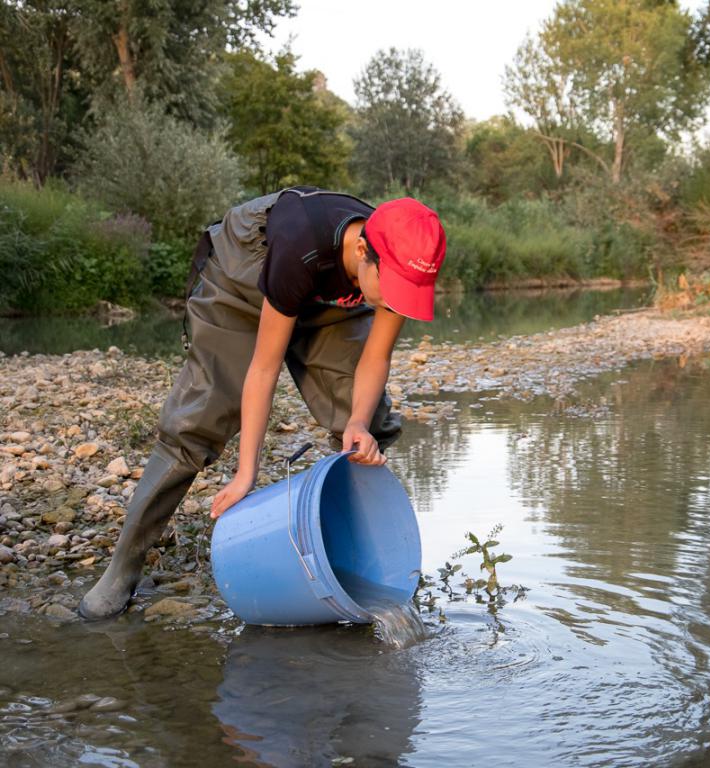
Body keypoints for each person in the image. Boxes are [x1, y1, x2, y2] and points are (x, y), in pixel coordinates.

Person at [78, 186, 446, 620]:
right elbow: (263, 369)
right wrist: (245, 473)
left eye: (407, 293)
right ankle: (123, 568)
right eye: (393, 289)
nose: (394, 303)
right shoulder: (301, 248)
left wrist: (359, 423)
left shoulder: (399, 255)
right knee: (199, 418)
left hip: (327, 291)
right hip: (245, 271)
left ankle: (350, 557)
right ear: (364, 250)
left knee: (370, 421)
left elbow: (375, 357)